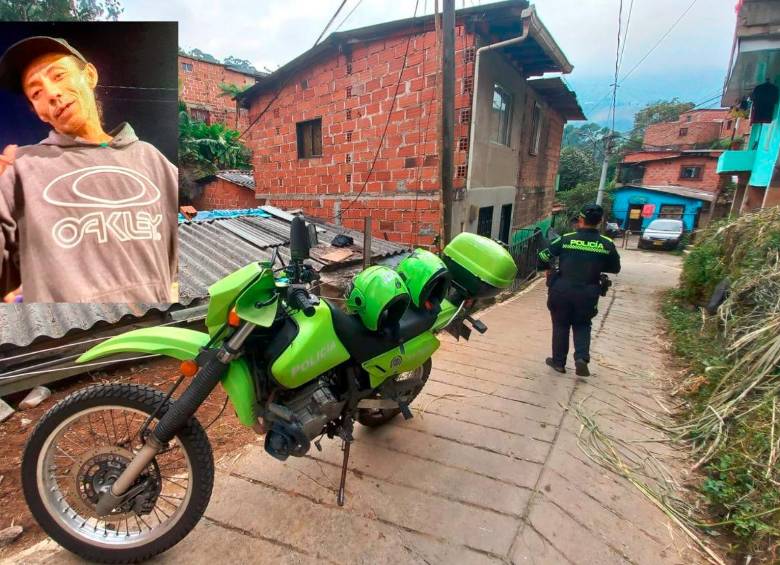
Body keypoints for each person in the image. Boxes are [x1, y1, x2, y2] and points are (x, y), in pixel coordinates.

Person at [0, 36, 178, 303]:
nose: (51, 93)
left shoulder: (152, 160)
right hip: (74, 337)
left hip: (153, 333)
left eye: (58, 75)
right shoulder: (21, 171)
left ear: (90, 75)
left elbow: (178, 263)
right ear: (38, 111)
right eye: (36, 92)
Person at [537, 203, 621, 376]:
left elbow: (543, 256)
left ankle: (559, 363)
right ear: (600, 222)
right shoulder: (606, 244)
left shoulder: (566, 239)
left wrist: (548, 269)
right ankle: (581, 358)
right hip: (588, 292)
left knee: (560, 325)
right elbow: (615, 268)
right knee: (583, 324)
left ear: (581, 220)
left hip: (561, 290)